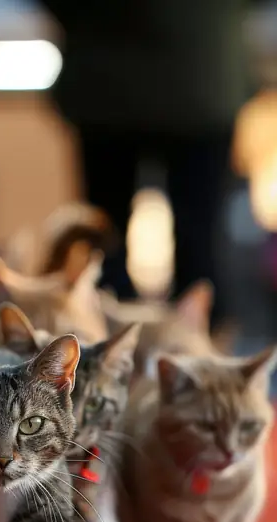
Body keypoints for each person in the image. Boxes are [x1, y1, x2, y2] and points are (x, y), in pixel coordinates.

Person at [38, 0, 262, 324]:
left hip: (107, 78)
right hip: (202, 72)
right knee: (199, 243)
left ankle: (105, 355)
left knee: (105, 243)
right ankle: (201, 356)